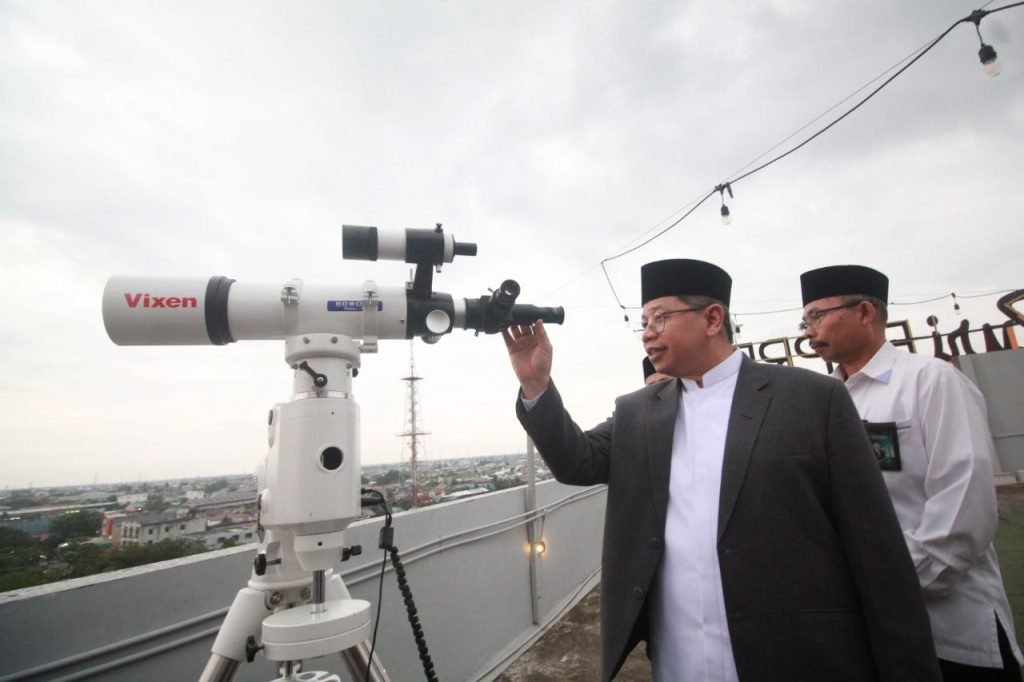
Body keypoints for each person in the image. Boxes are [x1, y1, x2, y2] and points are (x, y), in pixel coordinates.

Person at [502, 258, 939, 682]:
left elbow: (877, 554)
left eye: (660, 318)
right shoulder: (638, 412)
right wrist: (535, 383)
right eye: (644, 322)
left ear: (713, 318)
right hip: (679, 656)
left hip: (795, 653)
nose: (647, 333)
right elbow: (576, 461)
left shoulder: (812, 399)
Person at [800, 264, 1023, 681]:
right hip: (872, 629)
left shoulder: (930, 380)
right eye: (805, 321)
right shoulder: (825, 399)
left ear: (865, 312)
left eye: (818, 316)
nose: (809, 331)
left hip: (952, 630)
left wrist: (890, 583)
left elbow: (964, 505)